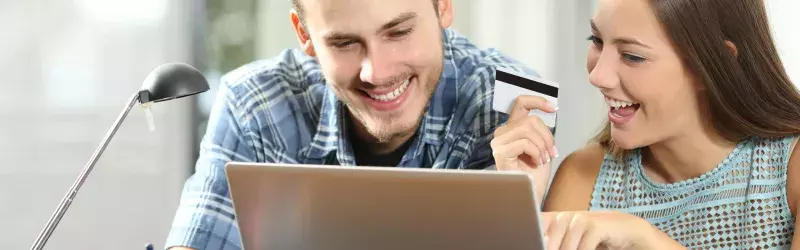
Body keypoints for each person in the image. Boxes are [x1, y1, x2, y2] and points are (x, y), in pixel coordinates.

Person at [165, 0, 537, 249]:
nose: (377, 72)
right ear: (305, 36)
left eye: (399, 32)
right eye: (344, 43)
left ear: (442, 6)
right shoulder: (253, 104)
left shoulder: (513, 101)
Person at [492, 0, 800, 249]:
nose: (597, 76)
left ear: (714, 63)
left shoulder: (789, 167)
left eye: (632, 56)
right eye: (597, 40)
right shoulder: (582, 177)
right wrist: (520, 208)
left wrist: (645, 237)